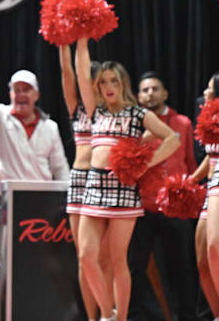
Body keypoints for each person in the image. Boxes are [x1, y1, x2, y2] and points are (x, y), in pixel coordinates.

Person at [75, 38, 179, 321]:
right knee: (86, 256)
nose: (109, 87)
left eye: (114, 81)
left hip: (123, 189)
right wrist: (81, 38)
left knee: (119, 260)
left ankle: (120, 319)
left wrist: (144, 164)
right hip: (94, 188)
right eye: (104, 82)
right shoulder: (94, 110)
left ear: (123, 84)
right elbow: (81, 73)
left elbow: (173, 138)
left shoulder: (137, 113)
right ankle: (107, 313)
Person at [0, 67, 70, 321]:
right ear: (10, 92)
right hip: (1, 204)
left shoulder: (50, 127)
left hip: (42, 205)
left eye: (26, 90)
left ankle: (37, 313)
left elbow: (60, 168)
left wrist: (66, 202)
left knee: (40, 264)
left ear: (36, 94)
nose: (21, 95)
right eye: (17, 89)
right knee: (0, 265)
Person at [129, 71, 199, 321]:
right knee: (134, 267)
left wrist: (191, 193)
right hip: (141, 206)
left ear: (165, 93)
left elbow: (190, 162)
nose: (150, 94)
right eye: (145, 90)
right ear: (137, 96)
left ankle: (187, 316)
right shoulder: (133, 125)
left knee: (182, 266)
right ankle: (136, 316)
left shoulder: (183, 123)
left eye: (155, 89)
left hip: (175, 206)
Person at [59, 44, 111, 321]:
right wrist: (62, 40)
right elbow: (68, 73)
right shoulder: (77, 109)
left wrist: (82, 39)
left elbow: (76, 73)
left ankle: (109, 313)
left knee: (104, 257)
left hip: (102, 180)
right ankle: (93, 317)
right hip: (78, 179)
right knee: (84, 258)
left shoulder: (111, 112)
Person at [195, 72, 219, 320]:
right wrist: (191, 180)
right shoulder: (209, 117)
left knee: (215, 248)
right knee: (202, 257)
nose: (204, 92)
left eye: (209, 88)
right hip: (211, 187)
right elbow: (209, 156)